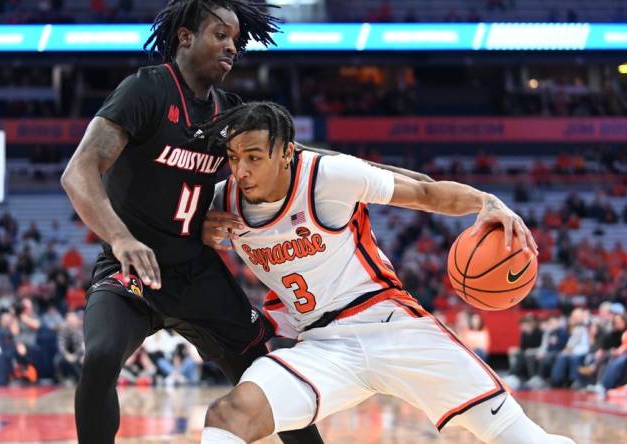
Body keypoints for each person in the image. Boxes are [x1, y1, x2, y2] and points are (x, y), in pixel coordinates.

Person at [61, 1, 424, 442]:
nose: (232, 47)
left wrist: (404, 180)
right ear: (185, 37)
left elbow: (307, 157)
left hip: (195, 272)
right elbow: (78, 170)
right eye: (220, 35)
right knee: (99, 356)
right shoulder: (146, 90)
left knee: (269, 376)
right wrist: (121, 239)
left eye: (236, 40)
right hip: (132, 269)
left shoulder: (227, 114)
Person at [197, 102, 574, 444]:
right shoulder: (220, 201)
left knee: (522, 437)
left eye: (253, 157)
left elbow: (424, 193)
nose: (241, 170)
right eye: (233, 157)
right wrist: (197, 227)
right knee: (229, 415)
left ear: (286, 154)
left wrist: (486, 202)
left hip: (390, 324)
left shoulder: (330, 177)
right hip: (322, 345)